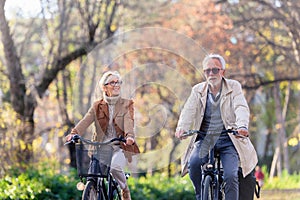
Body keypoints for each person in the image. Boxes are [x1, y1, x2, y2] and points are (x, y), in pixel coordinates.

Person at [175, 54, 258, 200]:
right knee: (193, 165)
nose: (211, 74)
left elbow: (240, 106)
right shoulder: (197, 90)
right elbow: (188, 110)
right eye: (207, 71)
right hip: (205, 139)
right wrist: (182, 127)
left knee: (231, 175)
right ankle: (203, 196)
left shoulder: (233, 86)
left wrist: (242, 126)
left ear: (222, 72)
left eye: (215, 70)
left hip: (228, 139)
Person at [66, 71, 140, 200]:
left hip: (120, 146)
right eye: (113, 82)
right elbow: (85, 121)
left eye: (118, 82)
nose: (117, 85)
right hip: (100, 147)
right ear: (104, 87)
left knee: (115, 167)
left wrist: (129, 136)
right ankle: (94, 190)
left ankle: (125, 190)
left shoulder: (126, 104)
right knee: (92, 176)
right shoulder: (97, 106)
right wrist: (74, 133)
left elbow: (129, 122)